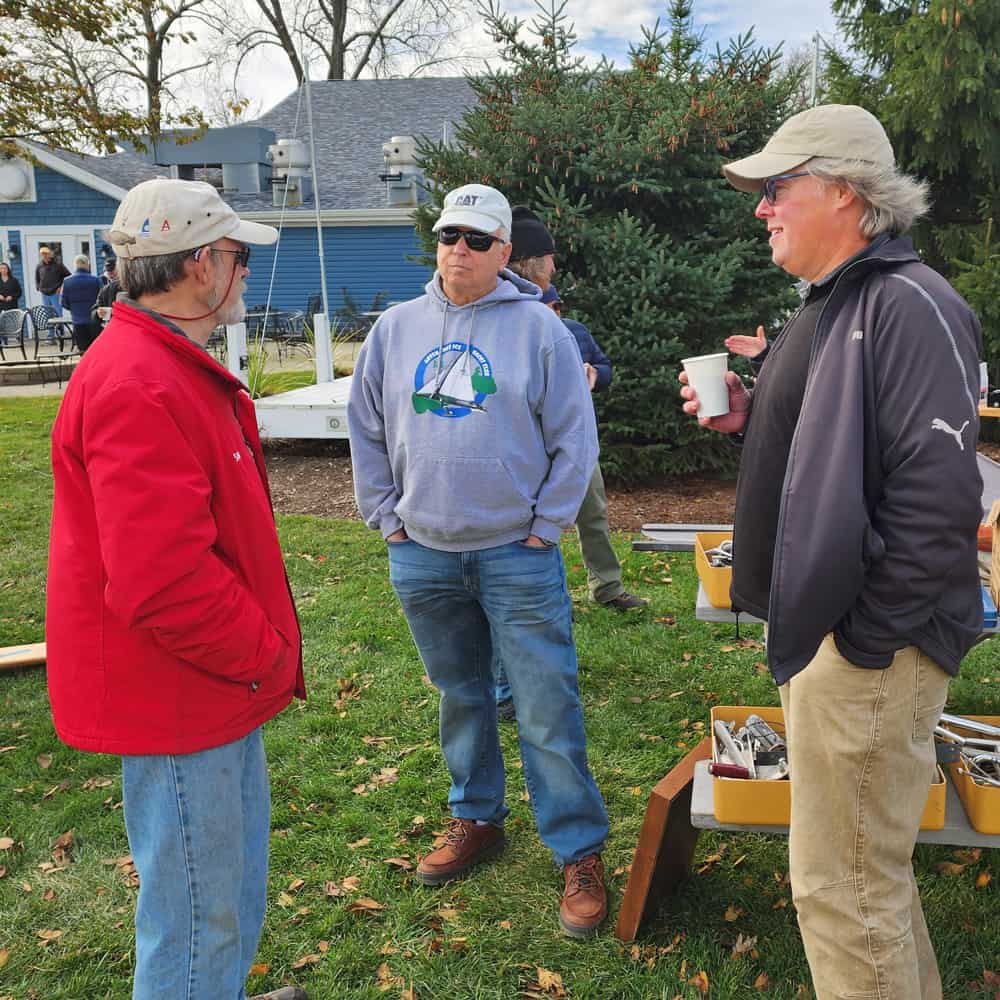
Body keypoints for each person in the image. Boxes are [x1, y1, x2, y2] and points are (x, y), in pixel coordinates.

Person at [680, 104, 983, 998]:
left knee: (842, 891)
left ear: (846, 194)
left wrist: (860, 643)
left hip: (867, 652)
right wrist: (748, 419)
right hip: (840, 641)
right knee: (865, 887)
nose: (761, 208)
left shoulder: (907, 304)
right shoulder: (839, 301)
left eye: (777, 188)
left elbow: (938, 508)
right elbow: (836, 458)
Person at [46, 178, 309, 1000]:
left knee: (224, 894)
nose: (243, 273)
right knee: (198, 914)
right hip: (181, 695)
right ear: (201, 265)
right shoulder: (136, 383)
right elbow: (163, 583)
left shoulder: (161, 364)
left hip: (207, 687)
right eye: (236, 256)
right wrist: (263, 653)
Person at [348, 183, 610, 939]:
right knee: (461, 696)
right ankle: (477, 818)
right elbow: (364, 428)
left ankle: (578, 850)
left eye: (474, 238)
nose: (457, 249)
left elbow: (574, 436)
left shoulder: (541, 332)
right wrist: (387, 520)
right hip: (423, 554)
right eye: (446, 236)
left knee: (545, 705)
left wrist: (545, 527)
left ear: (504, 252)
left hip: (516, 556)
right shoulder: (395, 330)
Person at [507, 207, 648, 612]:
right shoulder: (512, 321)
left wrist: (591, 378)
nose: (554, 264)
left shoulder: (571, 331)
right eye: (549, 256)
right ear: (531, 262)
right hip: (529, 446)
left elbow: (605, 370)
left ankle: (606, 587)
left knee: (593, 513)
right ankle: (532, 595)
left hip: (576, 442)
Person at [60, 254, 102, 353]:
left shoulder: (67, 282)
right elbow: (102, 300)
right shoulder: (95, 280)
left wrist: (74, 309)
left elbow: (63, 303)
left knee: (83, 352)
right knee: (97, 351)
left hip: (78, 321)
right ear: (88, 265)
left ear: (75, 266)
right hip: (95, 321)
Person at [35, 245, 70, 317]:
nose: (44, 256)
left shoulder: (58, 264)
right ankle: (51, 328)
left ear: (49, 254)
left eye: (46, 254)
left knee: (58, 313)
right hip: (44, 293)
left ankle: (60, 328)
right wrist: (38, 287)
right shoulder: (39, 266)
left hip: (55, 292)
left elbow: (68, 276)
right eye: (42, 254)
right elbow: (37, 278)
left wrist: (61, 287)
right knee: (48, 314)